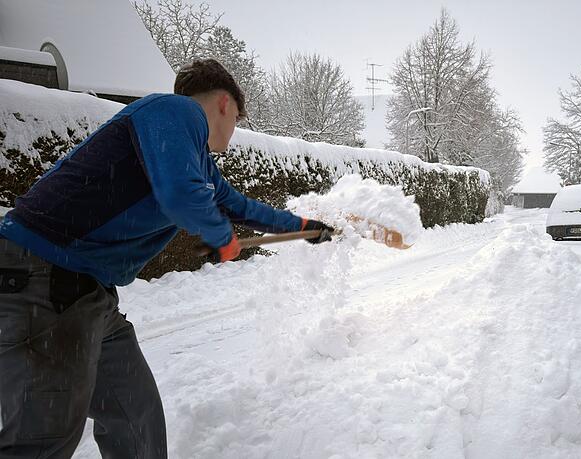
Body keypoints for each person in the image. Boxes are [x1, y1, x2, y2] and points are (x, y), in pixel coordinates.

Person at [0, 58, 332, 458]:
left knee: (134, 414)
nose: (233, 132)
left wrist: (306, 225)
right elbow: (180, 195)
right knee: (44, 439)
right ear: (225, 104)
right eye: (238, 120)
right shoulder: (174, 111)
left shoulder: (195, 159)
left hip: (85, 293)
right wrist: (221, 237)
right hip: (41, 277)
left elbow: (237, 206)